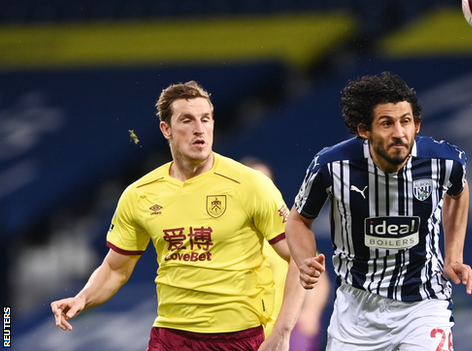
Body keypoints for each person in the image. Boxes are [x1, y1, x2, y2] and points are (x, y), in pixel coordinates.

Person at [50, 80, 305, 351]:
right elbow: (115, 268)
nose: (199, 129)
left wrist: (282, 331)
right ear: (166, 129)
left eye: (206, 119)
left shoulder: (251, 184)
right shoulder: (140, 194)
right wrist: (83, 298)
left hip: (237, 339)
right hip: (170, 337)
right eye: (187, 120)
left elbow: (301, 257)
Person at [285, 72, 472, 351]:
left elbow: (458, 191)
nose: (399, 133)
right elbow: (298, 220)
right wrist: (304, 260)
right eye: (386, 123)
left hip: (423, 303)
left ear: (417, 125)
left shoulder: (444, 162)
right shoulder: (332, 166)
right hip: (357, 309)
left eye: (406, 122)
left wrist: (454, 256)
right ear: (365, 130)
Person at [240, 156, 331, 351]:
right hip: (246, 332)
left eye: (266, 183)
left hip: (290, 328)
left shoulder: (287, 231)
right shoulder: (229, 234)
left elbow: (319, 278)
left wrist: (311, 312)